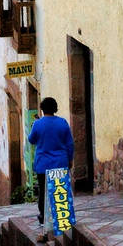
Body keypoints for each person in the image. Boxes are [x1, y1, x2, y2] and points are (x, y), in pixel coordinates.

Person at [28, 97, 75, 235]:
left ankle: (44, 218)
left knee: (43, 192)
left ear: (42, 109)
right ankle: (62, 219)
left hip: (43, 164)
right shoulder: (62, 122)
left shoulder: (37, 124)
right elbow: (69, 144)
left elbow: (32, 140)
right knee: (60, 190)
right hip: (60, 162)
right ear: (55, 108)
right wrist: (70, 160)